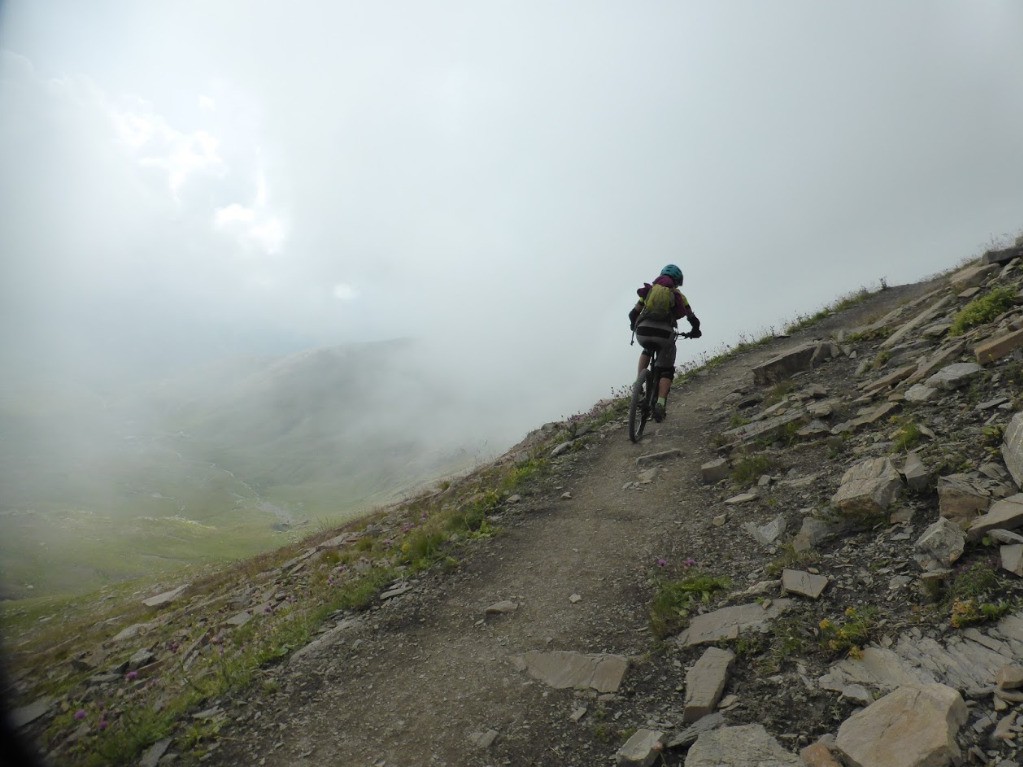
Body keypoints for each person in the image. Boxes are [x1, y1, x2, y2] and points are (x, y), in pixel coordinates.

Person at [628, 264, 701, 422]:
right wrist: (696, 330)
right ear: (677, 281)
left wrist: (634, 325)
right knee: (666, 369)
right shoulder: (678, 295)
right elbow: (692, 318)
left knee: (647, 349)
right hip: (664, 335)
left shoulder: (649, 290)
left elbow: (633, 313)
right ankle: (660, 403)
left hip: (643, 332)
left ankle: (638, 384)